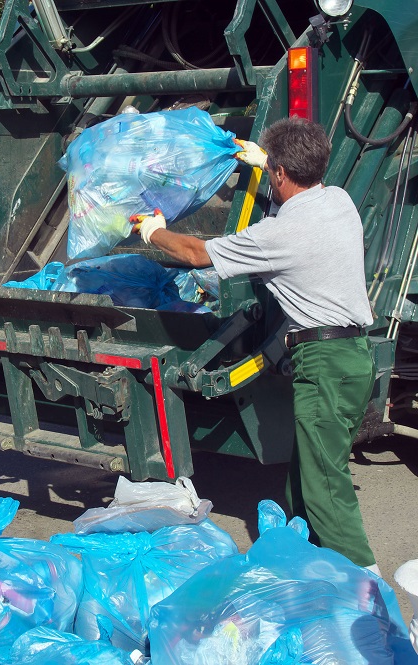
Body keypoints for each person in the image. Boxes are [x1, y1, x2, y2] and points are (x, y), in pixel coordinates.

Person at [133, 117, 379, 572]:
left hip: (323, 364)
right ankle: (302, 570)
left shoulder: (278, 235)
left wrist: (153, 231)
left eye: (271, 173)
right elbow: (298, 177)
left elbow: (195, 255)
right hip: (354, 359)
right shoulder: (339, 201)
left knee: (325, 487)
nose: (269, 177)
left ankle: (368, 595)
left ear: (283, 174)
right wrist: (265, 158)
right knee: (305, 480)